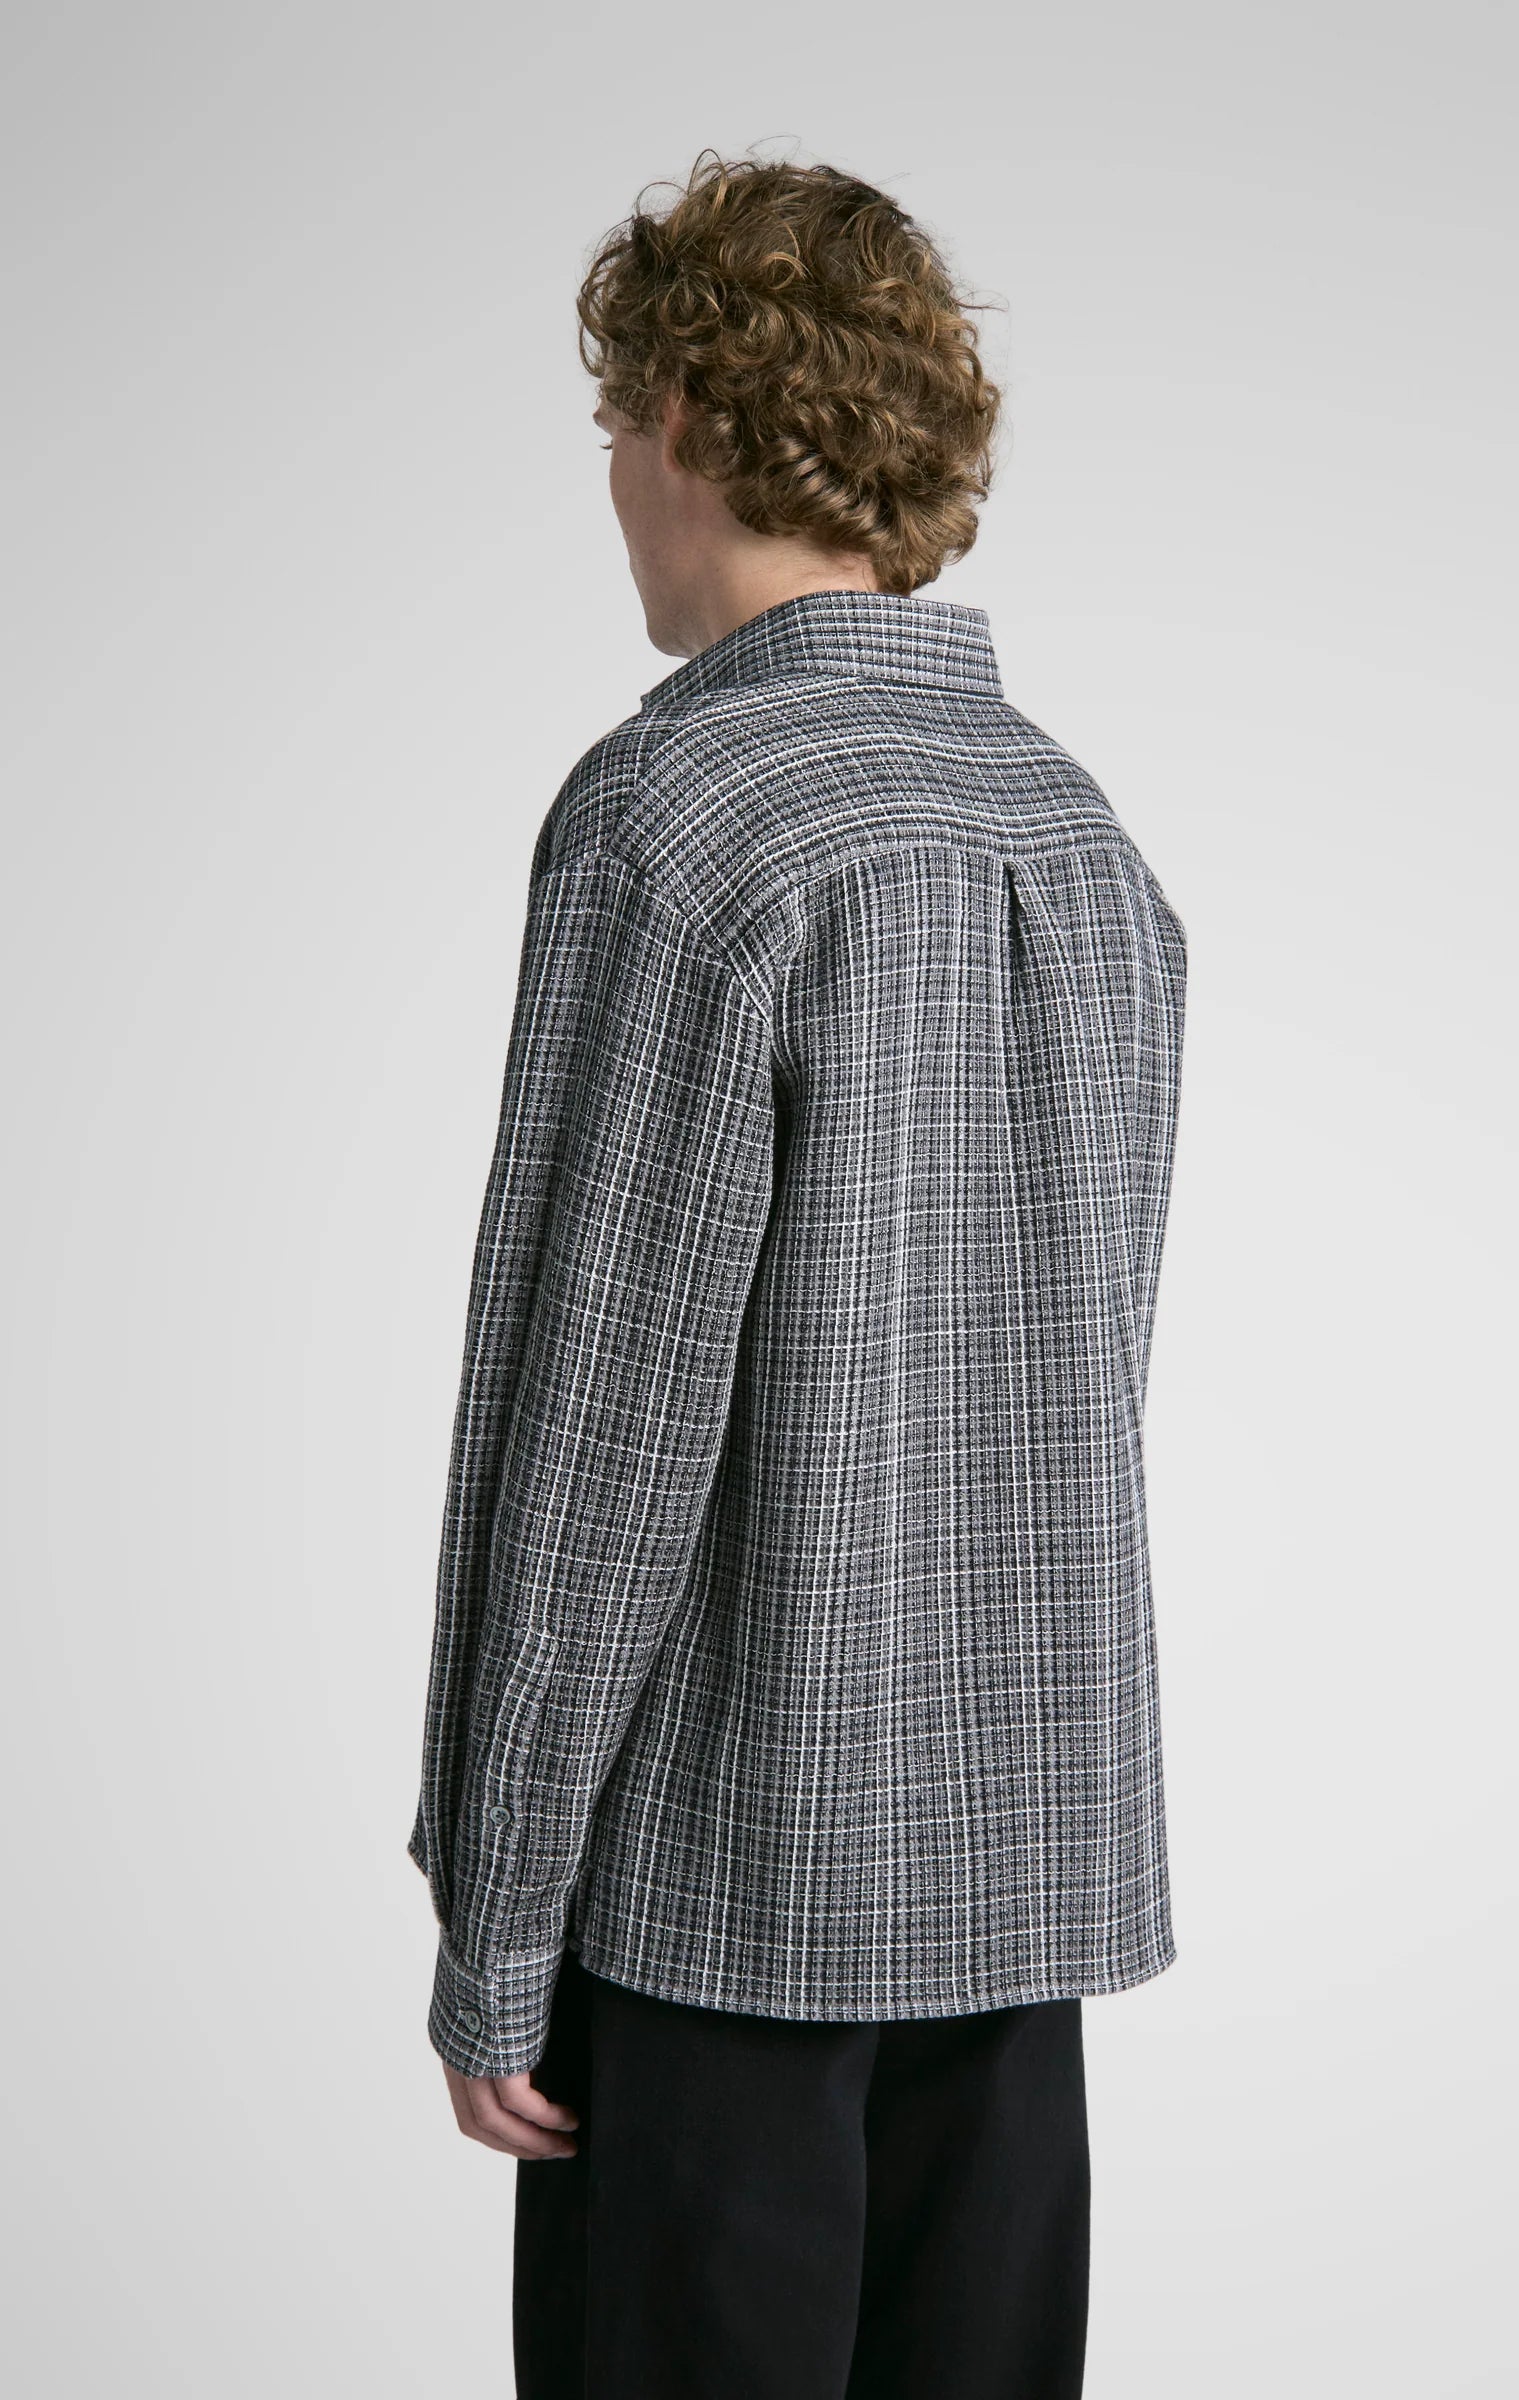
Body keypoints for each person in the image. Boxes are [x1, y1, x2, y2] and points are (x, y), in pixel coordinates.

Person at [407, 148, 1189, 2400]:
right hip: (1015, 1903)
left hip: (720, 1916)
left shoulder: (678, 820)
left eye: (611, 429)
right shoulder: (1081, 833)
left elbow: (603, 1433)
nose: (613, 489)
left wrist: (500, 1918)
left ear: (681, 417)